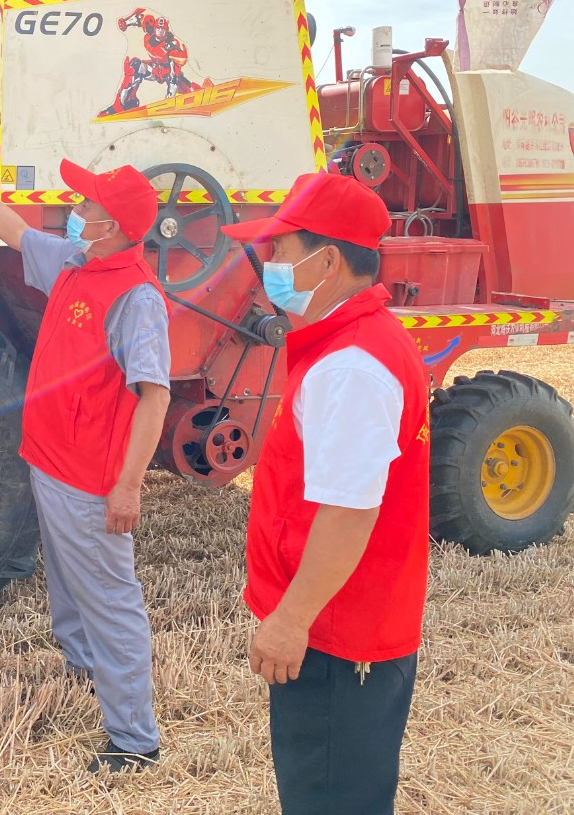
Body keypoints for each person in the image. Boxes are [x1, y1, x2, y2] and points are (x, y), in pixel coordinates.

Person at [0, 151, 171, 773]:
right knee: (67, 584)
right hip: (49, 459)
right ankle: (82, 668)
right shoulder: (76, 261)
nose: (75, 210)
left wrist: (129, 486)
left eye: (87, 206)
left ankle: (134, 741)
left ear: (112, 227)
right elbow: (17, 232)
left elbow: (155, 396)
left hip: (92, 478)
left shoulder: (136, 299)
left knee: (111, 599)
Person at [220, 171, 430, 815]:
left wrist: (290, 620)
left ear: (328, 260)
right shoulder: (353, 346)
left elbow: (348, 512)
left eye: (281, 251)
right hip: (345, 627)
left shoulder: (352, 367)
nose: (269, 266)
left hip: (336, 641)